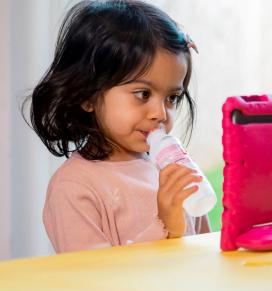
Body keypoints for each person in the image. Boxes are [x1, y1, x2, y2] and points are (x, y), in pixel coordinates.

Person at [24, 0, 210, 253]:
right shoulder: (74, 187)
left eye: (172, 98)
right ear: (87, 96)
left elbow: (204, 255)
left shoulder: (170, 171)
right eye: (143, 94)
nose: (160, 113)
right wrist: (165, 227)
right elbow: (93, 282)